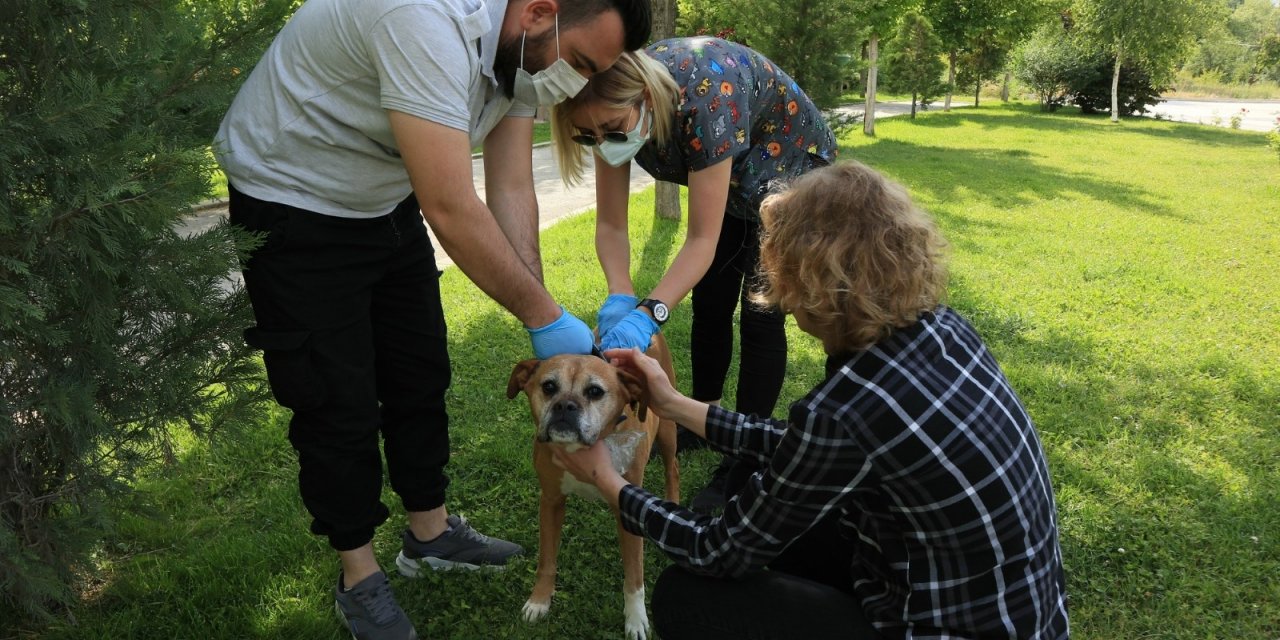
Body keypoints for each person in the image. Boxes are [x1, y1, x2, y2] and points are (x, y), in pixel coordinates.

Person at [213, 0, 650, 638]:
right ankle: (358, 577)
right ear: (540, 11)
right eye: (580, 62)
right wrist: (542, 314)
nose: (576, 85)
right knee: (337, 398)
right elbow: (449, 203)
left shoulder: (522, 57)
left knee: (419, 371)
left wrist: (541, 310)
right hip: (294, 194)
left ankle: (430, 534)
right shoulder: (420, 18)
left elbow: (508, 189)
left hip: (382, 194)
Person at [554, 162, 1070, 639]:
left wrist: (609, 481)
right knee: (739, 479)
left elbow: (716, 551)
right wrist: (675, 404)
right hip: (1010, 610)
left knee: (686, 597)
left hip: (932, 623)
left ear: (811, 280)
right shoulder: (946, 330)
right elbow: (808, 447)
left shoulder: (846, 410)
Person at [548, 37, 838, 512]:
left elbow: (700, 239)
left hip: (789, 170)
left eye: (610, 131)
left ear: (644, 100)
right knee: (709, 302)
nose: (602, 144)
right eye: (586, 136)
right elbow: (611, 222)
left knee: (760, 315)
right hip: (732, 176)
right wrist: (621, 294)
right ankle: (703, 417)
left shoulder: (706, 101)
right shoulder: (604, 109)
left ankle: (745, 459)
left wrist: (648, 314)